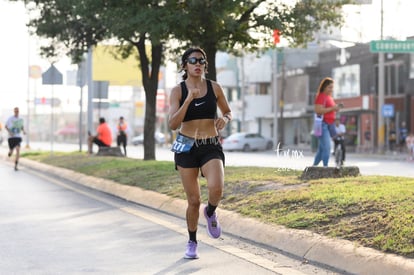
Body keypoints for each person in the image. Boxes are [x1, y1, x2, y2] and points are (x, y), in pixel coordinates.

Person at [168, 47, 232, 259]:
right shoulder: (178, 91)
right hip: (186, 146)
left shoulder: (215, 87)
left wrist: (225, 118)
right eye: (193, 60)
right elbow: (173, 124)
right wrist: (188, 100)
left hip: (210, 144)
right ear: (185, 65)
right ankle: (192, 241)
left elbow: (228, 111)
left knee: (216, 188)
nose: (198, 64)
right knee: (193, 201)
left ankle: (211, 212)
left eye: (202, 61)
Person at [313, 77, 342, 167]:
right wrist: (333, 108)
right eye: (329, 87)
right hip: (323, 125)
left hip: (330, 125)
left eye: (332, 87)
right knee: (327, 147)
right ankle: (325, 167)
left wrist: (336, 108)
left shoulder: (329, 97)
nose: (331, 89)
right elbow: (318, 110)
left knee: (322, 149)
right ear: (324, 87)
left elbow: (330, 109)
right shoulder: (321, 96)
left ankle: (314, 167)